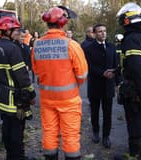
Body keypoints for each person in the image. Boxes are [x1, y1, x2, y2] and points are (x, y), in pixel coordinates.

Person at [31, 7, 88, 160]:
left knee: (49, 132)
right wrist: (72, 84)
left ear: (47, 22)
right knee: (70, 135)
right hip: (69, 99)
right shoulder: (71, 45)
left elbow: (36, 70)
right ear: (63, 23)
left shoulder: (37, 45)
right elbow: (82, 74)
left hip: (47, 99)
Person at [0, 16, 36, 160]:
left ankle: (10, 156)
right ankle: (17, 157)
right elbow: (22, 75)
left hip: (3, 98)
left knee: (7, 128)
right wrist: (32, 94)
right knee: (17, 131)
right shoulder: (13, 49)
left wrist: (2, 88)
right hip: (17, 100)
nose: (18, 33)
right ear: (7, 31)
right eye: (16, 30)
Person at [116, 2, 141, 158]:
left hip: (134, 89)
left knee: (134, 123)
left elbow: (136, 67)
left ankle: (134, 154)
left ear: (127, 20)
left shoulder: (130, 39)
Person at [84, 24, 118, 149]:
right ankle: (96, 132)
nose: (103, 33)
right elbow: (88, 66)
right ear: (94, 34)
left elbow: (116, 63)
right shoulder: (89, 48)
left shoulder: (112, 47)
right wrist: (102, 73)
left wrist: (116, 77)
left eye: (104, 31)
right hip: (95, 85)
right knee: (95, 112)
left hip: (108, 86)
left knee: (108, 113)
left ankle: (106, 136)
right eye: (100, 31)